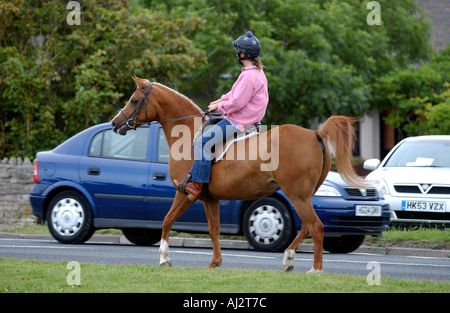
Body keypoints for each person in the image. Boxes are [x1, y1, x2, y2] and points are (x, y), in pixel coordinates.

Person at [175, 31, 269, 201]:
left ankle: (197, 185)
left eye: (238, 50)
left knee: (202, 142)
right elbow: (233, 93)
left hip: (239, 122)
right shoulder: (255, 72)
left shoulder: (249, 76)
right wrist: (218, 101)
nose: (237, 53)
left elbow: (236, 103)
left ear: (243, 54)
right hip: (249, 119)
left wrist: (221, 107)